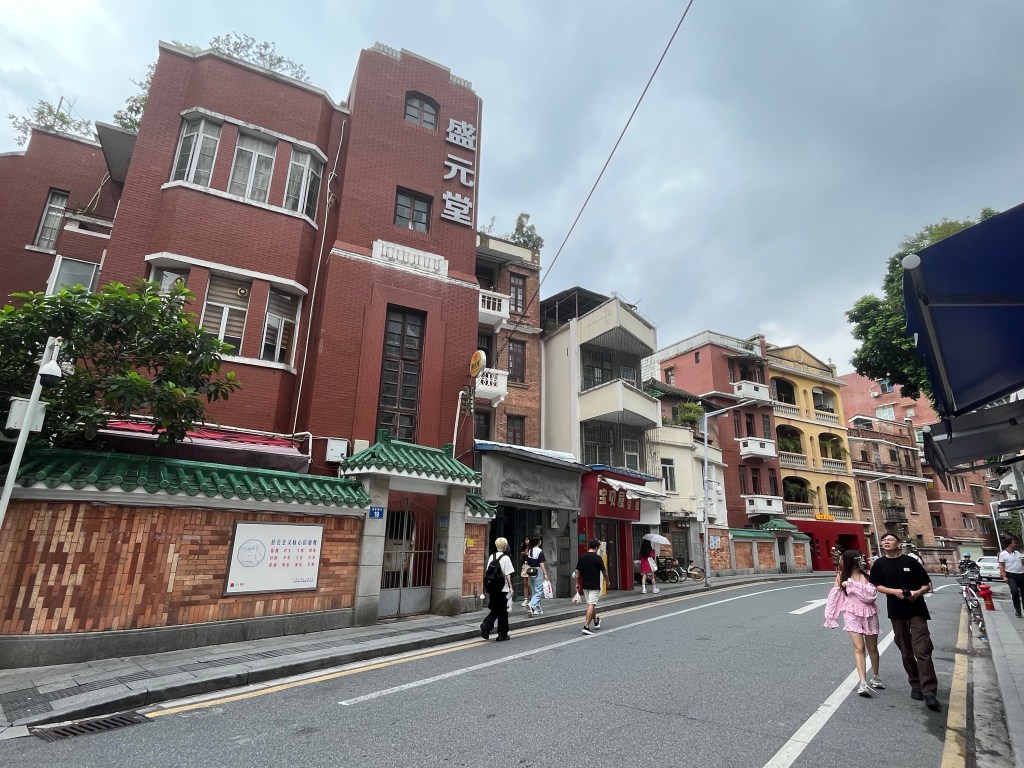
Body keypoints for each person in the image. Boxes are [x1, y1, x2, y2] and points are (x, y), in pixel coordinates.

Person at [869, 532, 941, 712]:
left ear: (899, 544)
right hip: (896, 611)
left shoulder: (911, 562)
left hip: (917, 609)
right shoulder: (879, 564)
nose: (886, 542)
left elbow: (926, 584)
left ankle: (929, 691)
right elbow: (877, 585)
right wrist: (894, 591)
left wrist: (917, 593)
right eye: (884, 540)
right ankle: (915, 683)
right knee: (905, 649)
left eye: (890, 540)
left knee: (922, 649)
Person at [824, 550, 883, 697]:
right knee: (859, 647)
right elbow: (834, 598)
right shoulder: (841, 576)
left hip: (869, 614)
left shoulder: (868, 575)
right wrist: (830, 617)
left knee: (872, 648)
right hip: (851, 614)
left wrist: (852, 586)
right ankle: (862, 682)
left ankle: (875, 677)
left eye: (842, 559)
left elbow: (871, 596)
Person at [480, 537, 514, 641]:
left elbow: (488, 572)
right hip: (503, 588)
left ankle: (487, 625)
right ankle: (502, 633)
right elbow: (508, 575)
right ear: (505, 546)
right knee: (503, 611)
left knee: (496, 608)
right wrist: (511, 587)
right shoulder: (506, 558)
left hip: (493, 588)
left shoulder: (492, 556)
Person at [576, 539, 608, 635]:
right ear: (597, 548)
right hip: (594, 585)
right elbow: (604, 572)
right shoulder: (597, 558)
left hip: (585, 585)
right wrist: (607, 581)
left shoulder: (582, 557)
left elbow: (577, 572)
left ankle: (596, 621)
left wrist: (577, 583)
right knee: (591, 604)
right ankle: (586, 626)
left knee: (591, 604)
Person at [998, 536, 1024, 619]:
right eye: (1014, 543)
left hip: (1022, 575)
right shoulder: (1003, 554)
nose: (1015, 544)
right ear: (1009, 544)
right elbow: (1001, 566)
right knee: (1014, 591)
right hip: (1011, 575)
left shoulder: (1018, 553)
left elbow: (1022, 563)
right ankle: (1018, 610)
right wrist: (1004, 576)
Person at [525, 536, 549, 617]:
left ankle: (537, 610)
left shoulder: (530, 550)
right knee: (538, 591)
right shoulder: (539, 551)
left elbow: (527, 562)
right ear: (538, 542)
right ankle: (531, 604)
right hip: (538, 571)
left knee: (534, 591)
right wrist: (545, 573)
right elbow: (541, 563)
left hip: (530, 571)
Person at [518, 536, 532, 607]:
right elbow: (521, 558)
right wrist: (523, 554)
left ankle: (532, 598)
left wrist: (528, 554)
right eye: (525, 540)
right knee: (525, 583)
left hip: (530, 566)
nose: (526, 541)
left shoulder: (532, 548)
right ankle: (525, 599)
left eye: (528, 540)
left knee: (529, 584)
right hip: (524, 566)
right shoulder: (524, 548)